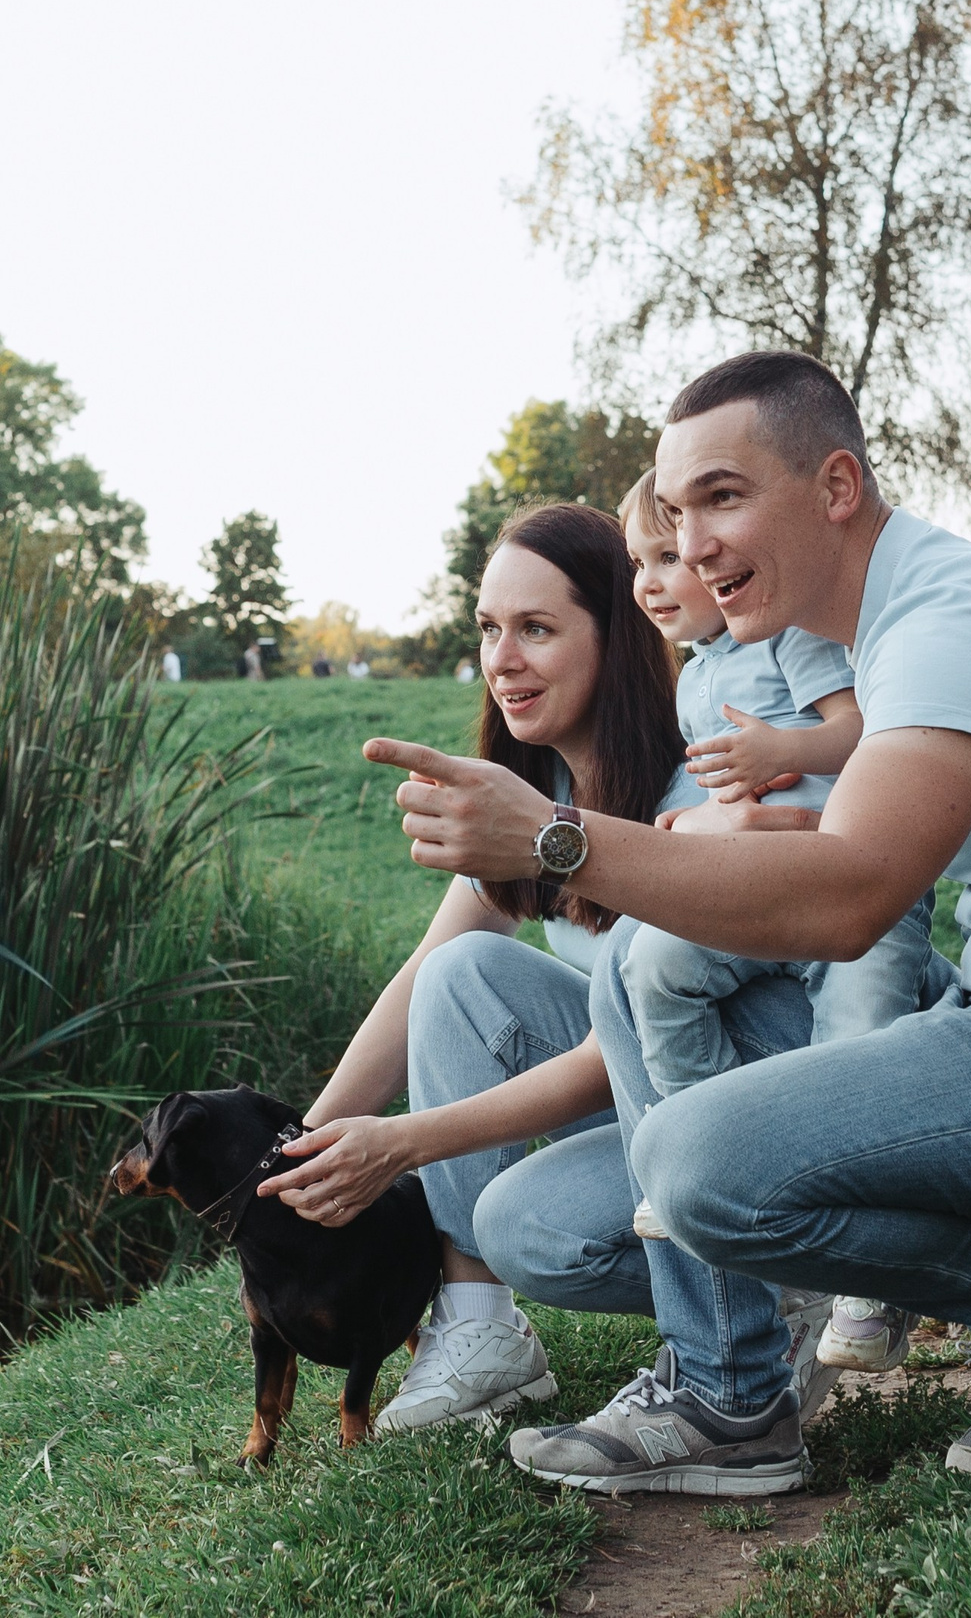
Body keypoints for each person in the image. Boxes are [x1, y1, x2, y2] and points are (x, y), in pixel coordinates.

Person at [293, 349, 971, 1489]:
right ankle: (731, 1389)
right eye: (672, 511)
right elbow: (826, 863)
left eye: (722, 497)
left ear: (838, 488)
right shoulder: (869, 640)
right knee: (557, 1202)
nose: (691, 544)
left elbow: (855, 900)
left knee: (695, 1162)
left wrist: (561, 843)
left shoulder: (950, 621)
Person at [261, 503, 836, 1445]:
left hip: (757, 1097)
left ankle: (784, 1278)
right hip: (657, 1095)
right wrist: (299, 1152)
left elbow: (632, 1033)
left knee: (531, 1224)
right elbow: (431, 972)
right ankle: (480, 1332)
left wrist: (403, 1141)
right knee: (467, 983)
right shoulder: (540, 793)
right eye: (490, 629)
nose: (503, 658)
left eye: (537, 629)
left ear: (617, 634)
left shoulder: (701, 780)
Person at [614, 469, 942, 1374]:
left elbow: (863, 729)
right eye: (638, 560)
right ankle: (701, 1144)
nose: (650, 580)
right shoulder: (694, 678)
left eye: (667, 557)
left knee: (853, 1050)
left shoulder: (785, 639)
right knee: (655, 967)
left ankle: (870, 1291)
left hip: (858, 884)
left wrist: (780, 749)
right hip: (763, 888)